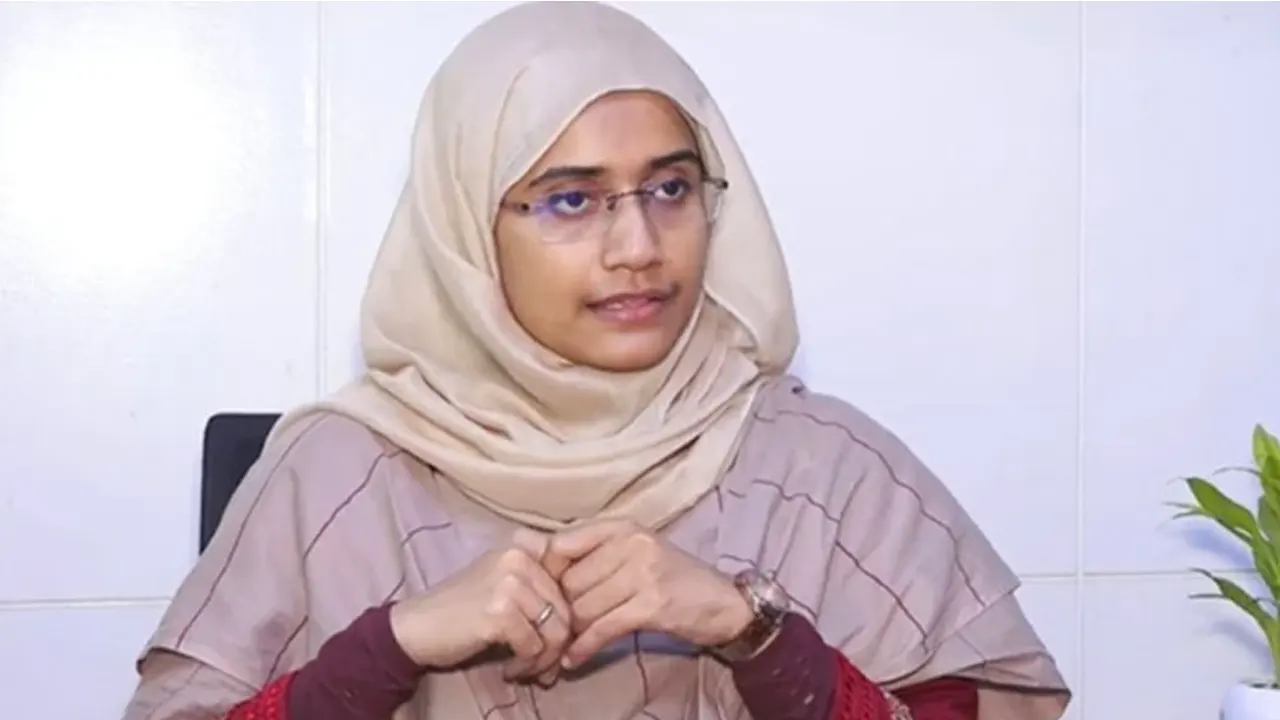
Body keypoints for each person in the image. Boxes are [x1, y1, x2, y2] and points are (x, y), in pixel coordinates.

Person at [122, 3, 1070, 719]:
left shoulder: (824, 467)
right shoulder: (336, 475)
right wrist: (394, 644)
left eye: (671, 188)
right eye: (572, 201)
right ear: (466, 229)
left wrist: (753, 631)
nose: (639, 247)